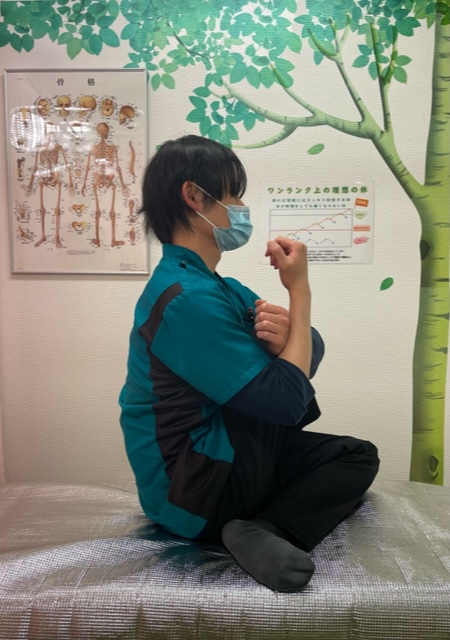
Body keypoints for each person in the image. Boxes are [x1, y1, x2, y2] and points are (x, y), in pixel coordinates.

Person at [119, 134, 379, 592]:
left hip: (225, 462)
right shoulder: (185, 298)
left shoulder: (218, 286)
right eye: (234, 195)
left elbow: (309, 353)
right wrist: (299, 291)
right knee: (275, 403)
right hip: (194, 490)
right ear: (194, 196)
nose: (241, 208)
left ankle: (262, 529)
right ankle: (255, 525)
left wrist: (289, 337)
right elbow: (287, 399)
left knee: (354, 455)